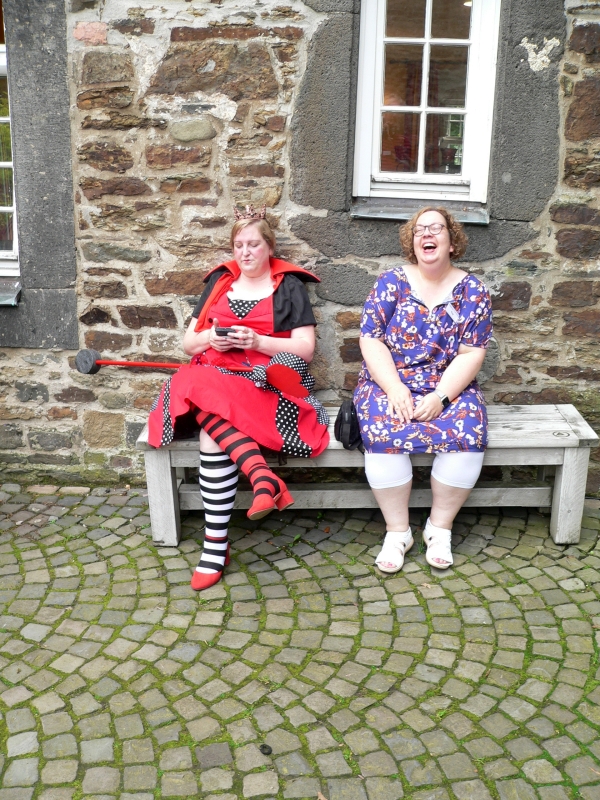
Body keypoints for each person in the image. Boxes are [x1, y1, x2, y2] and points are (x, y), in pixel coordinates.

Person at [148, 206, 329, 590]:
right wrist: (210, 339)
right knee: (195, 379)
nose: (245, 252)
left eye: (253, 244)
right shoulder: (220, 281)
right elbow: (188, 344)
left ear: (269, 248)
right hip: (215, 378)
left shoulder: (289, 286)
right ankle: (260, 480)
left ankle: (216, 546)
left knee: (210, 428)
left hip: (265, 384)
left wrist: (258, 341)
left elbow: (305, 349)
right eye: (238, 245)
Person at [354, 207, 492, 572]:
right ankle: (398, 532)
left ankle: (439, 528)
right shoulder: (391, 283)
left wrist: (441, 397)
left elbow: (471, 352)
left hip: (448, 384)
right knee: (382, 429)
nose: (426, 234)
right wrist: (393, 388)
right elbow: (370, 339)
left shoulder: (473, 291)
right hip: (389, 381)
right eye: (419, 230)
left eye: (436, 228)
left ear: (452, 241)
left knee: (469, 430)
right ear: (413, 243)